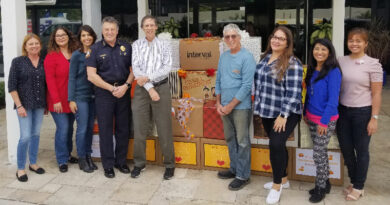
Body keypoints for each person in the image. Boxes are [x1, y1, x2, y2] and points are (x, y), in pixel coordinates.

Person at [253, 26, 303, 204]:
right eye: (274, 36)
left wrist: (283, 115)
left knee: (276, 144)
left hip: (286, 113)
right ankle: (284, 179)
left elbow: (294, 92)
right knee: (277, 146)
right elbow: (259, 84)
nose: (276, 40)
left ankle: (276, 186)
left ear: (288, 43)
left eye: (281, 38)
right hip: (266, 110)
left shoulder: (292, 63)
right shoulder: (264, 58)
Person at [337, 27, 383, 201]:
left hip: (363, 113)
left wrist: (374, 118)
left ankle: (359, 186)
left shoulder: (373, 64)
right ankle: (354, 180)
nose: (354, 44)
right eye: (351, 40)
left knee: (361, 150)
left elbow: (377, 93)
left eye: (358, 41)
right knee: (347, 150)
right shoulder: (341, 61)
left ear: (365, 43)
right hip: (342, 111)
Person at [86, 16, 133, 178]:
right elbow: (91, 76)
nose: (110, 32)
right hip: (104, 93)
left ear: (117, 31)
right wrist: (111, 88)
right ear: (102, 31)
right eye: (106, 29)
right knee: (105, 129)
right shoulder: (95, 49)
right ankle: (108, 165)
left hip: (123, 91)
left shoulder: (127, 47)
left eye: (112, 29)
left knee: (123, 128)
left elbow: (134, 69)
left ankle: (121, 162)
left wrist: (126, 86)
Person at [131, 15, 175, 180]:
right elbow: (136, 68)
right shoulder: (136, 45)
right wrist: (149, 88)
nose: (149, 28)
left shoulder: (164, 45)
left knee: (164, 128)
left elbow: (167, 67)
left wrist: (148, 77)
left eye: (151, 25)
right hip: (143, 90)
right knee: (140, 129)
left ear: (156, 27)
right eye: (146, 25)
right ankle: (139, 164)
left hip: (162, 88)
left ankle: (169, 165)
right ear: (142, 28)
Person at [215, 23, 256, 190]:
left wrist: (230, 106)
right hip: (224, 106)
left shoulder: (247, 57)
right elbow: (218, 81)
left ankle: (243, 175)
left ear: (239, 38)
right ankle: (234, 169)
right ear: (224, 39)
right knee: (230, 139)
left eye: (233, 36)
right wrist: (218, 103)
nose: (230, 39)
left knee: (243, 141)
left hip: (240, 107)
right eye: (227, 37)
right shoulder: (223, 56)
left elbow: (247, 86)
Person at [304, 38, 342, 203]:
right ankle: (325, 182)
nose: (319, 52)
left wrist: (324, 122)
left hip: (325, 120)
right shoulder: (312, 69)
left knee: (318, 153)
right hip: (311, 118)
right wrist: (305, 114)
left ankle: (320, 188)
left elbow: (333, 100)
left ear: (330, 52)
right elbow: (309, 94)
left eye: (323, 50)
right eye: (316, 49)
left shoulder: (333, 71)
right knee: (321, 152)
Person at [8, 34, 46, 182]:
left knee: (36, 134)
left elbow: (45, 84)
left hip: (39, 104)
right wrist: (19, 105)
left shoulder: (43, 62)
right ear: (25, 46)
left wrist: (46, 104)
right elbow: (12, 86)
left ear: (40, 46)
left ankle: (33, 163)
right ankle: (20, 168)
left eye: (36, 43)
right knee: (25, 137)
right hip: (23, 105)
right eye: (30, 44)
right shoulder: (18, 62)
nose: (34, 46)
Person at [44, 27, 78, 173]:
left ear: (69, 36)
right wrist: (56, 100)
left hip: (73, 100)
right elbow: (49, 80)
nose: (61, 38)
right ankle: (62, 159)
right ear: (54, 39)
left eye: (63, 35)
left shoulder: (76, 53)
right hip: (57, 101)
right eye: (58, 36)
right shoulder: (51, 56)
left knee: (70, 128)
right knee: (63, 129)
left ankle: (68, 154)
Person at [68, 25, 98, 173]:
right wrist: (71, 99)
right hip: (80, 96)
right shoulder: (76, 55)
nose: (87, 38)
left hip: (94, 96)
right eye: (83, 35)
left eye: (89, 35)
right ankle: (81, 158)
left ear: (93, 36)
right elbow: (72, 78)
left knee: (89, 129)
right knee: (82, 128)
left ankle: (88, 155)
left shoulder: (96, 52)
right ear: (80, 38)